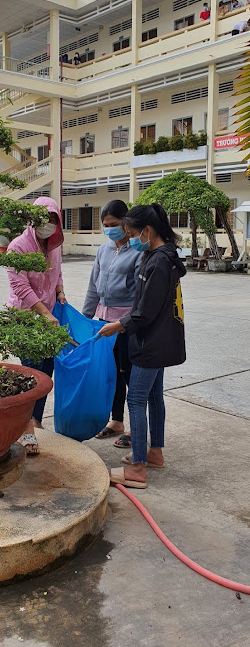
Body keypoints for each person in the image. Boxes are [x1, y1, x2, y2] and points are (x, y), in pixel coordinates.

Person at [98, 204, 186, 489]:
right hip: (159, 340)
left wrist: (118, 325)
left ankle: (137, 468)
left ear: (146, 231)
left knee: (136, 399)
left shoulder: (159, 261)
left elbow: (145, 311)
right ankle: (154, 453)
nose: (130, 238)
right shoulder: (160, 255)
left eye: (132, 233)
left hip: (150, 342)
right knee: (154, 396)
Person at [6, 197, 65, 455]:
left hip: (50, 315)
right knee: (31, 371)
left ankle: (36, 420)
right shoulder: (18, 247)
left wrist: (60, 292)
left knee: (47, 370)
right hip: (26, 318)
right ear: (32, 220)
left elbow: (58, 272)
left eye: (53, 220)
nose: (48, 225)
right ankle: (25, 428)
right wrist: (43, 312)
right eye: (44, 220)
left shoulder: (53, 246)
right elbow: (19, 286)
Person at [82, 200, 141, 446]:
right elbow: (93, 286)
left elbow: (140, 294)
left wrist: (126, 322)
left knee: (130, 375)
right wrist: (85, 317)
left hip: (127, 324)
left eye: (114, 225)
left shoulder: (138, 251)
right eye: (105, 226)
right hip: (104, 322)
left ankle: (137, 430)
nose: (109, 230)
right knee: (112, 373)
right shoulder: (103, 250)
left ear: (126, 223)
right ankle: (117, 421)